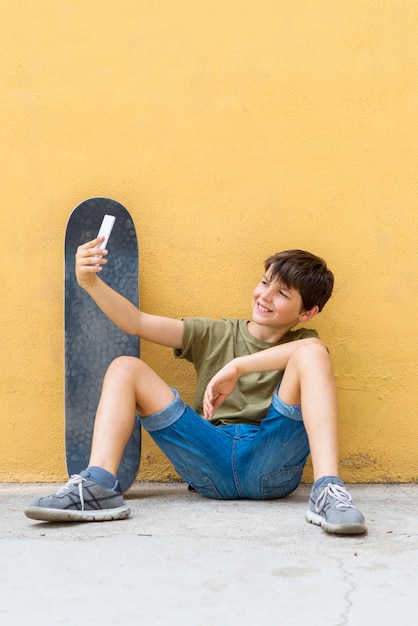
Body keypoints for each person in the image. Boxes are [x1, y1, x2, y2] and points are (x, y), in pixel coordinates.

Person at [25, 237, 367, 535]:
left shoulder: (305, 342)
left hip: (271, 461)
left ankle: (327, 490)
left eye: (281, 293)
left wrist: (237, 366)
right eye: (264, 283)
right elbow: (136, 322)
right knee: (124, 368)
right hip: (209, 457)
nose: (265, 296)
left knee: (314, 356)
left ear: (306, 313)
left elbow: (311, 352)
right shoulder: (215, 334)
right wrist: (89, 283)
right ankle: (98, 484)